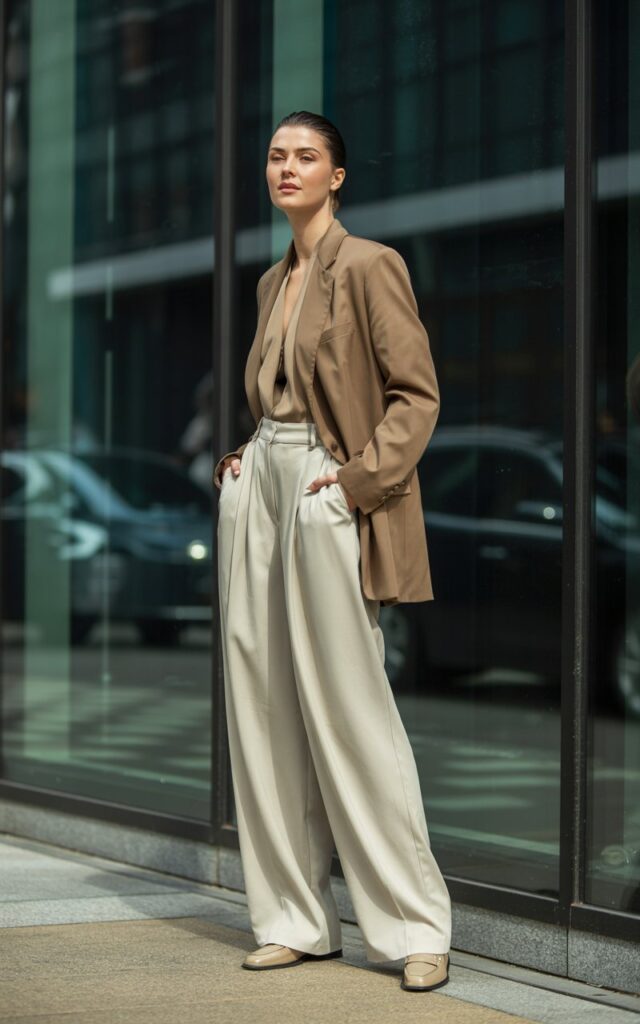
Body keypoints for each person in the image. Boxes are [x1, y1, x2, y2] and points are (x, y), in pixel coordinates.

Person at [213, 110, 452, 993]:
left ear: (337, 176)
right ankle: (294, 919)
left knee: (352, 709)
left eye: (305, 156)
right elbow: (278, 394)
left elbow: (415, 398)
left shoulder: (369, 265)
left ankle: (415, 925)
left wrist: (354, 484)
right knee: (263, 705)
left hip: (327, 486)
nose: (286, 168)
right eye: (276, 156)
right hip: (263, 485)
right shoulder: (278, 279)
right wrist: (246, 456)